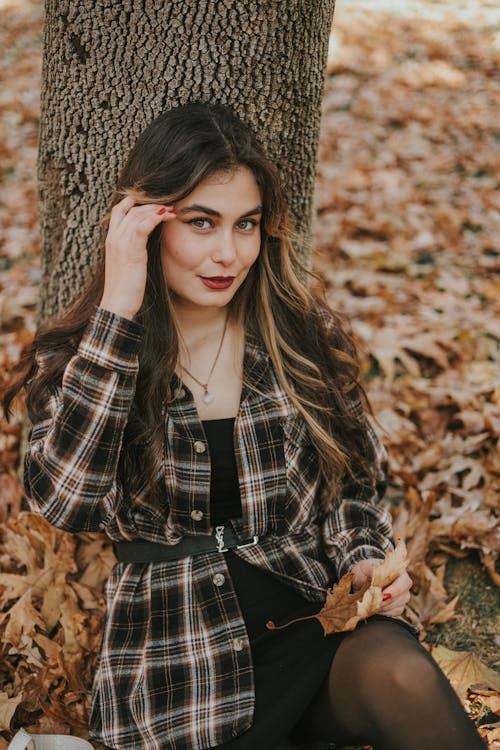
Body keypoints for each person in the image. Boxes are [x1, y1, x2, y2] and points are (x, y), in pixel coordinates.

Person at [4, 102, 484, 750]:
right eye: (201, 223)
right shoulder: (82, 357)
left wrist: (364, 557)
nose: (227, 253)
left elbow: (351, 485)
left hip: (310, 625)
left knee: (399, 674)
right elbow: (66, 499)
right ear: (145, 224)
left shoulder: (296, 339)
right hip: (177, 668)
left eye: (246, 225)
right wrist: (119, 307)